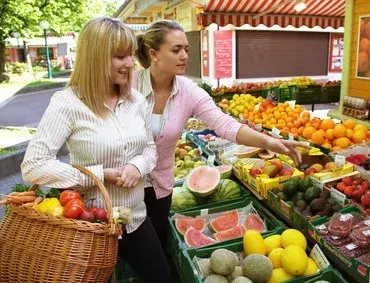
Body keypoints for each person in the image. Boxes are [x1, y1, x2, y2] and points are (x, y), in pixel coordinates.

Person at [132, 20, 308, 248]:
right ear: (154, 54)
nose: (184, 56)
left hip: (160, 188)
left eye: (186, 49)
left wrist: (270, 142)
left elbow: (226, 125)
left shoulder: (189, 91)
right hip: (123, 187)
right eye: (176, 50)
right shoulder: (129, 84)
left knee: (156, 249)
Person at [21, 17, 171, 283]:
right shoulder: (67, 104)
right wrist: (98, 174)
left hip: (135, 219)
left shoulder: (135, 100)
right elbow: (33, 165)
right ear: (96, 57)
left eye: (131, 55)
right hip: (90, 224)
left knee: (161, 277)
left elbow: (149, 148)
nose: (130, 63)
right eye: (120, 56)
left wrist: (138, 166)